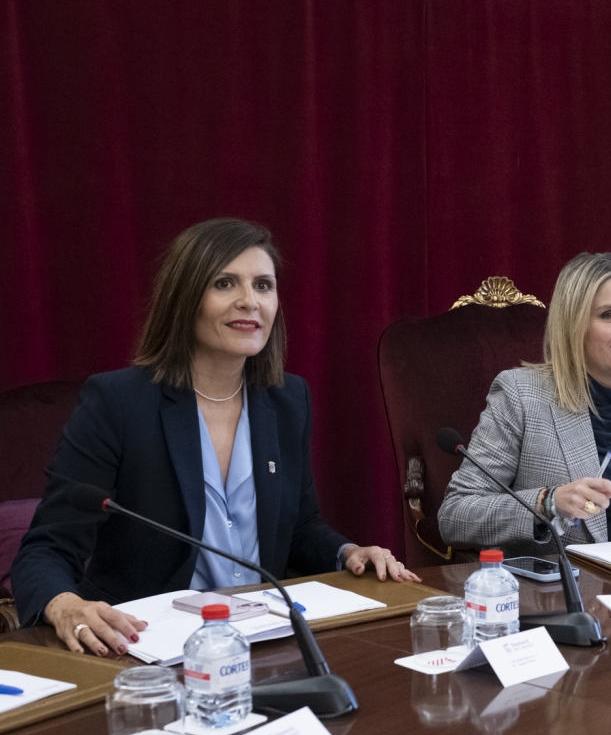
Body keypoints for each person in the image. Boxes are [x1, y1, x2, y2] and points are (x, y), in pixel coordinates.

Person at [12, 218, 418, 658]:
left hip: (261, 644)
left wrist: (349, 552)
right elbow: (46, 549)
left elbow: (298, 527)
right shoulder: (119, 402)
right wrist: (65, 604)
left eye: (264, 286)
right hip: (142, 651)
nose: (250, 301)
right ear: (184, 299)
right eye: (225, 283)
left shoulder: (287, 400)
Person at [438, 252, 611, 551]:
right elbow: (456, 516)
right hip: (560, 590)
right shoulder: (522, 395)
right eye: (609, 314)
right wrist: (547, 502)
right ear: (573, 324)